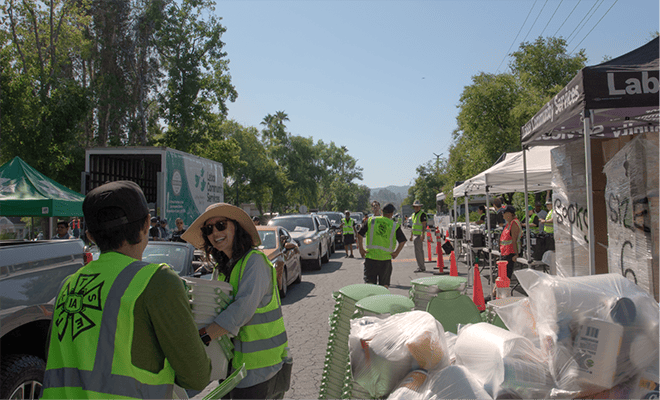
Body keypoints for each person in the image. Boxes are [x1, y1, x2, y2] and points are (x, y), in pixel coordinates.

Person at [41, 181, 211, 399]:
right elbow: (196, 376)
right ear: (147, 224)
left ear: (90, 236)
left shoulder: (68, 286)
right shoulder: (158, 281)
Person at [182, 203, 291, 400]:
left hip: (259, 371)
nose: (215, 232)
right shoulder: (221, 268)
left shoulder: (255, 261)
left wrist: (203, 336)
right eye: (209, 229)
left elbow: (242, 310)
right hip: (232, 369)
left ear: (236, 227)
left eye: (221, 225)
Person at [357, 203, 406, 288]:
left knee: (370, 286)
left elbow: (359, 234)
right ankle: (382, 300)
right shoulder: (394, 225)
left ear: (382, 211)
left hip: (371, 258)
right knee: (384, 286)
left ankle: (371, 300)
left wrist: (361, 249)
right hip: (385, 260)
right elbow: (402, 241)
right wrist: (396, 253)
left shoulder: (371, 220)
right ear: (391, 214)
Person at [499, 205, 522, 280]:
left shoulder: (514, 223)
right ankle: (495, 292)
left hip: (510, 254)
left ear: (509, 213)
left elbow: (514, 240)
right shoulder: (508, 224)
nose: (502, 215)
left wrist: (516, 254)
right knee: (501, 277)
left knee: (504, 278)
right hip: (505, 253)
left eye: (504, 213)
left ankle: (495, 292)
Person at [410, 200, 431, 272]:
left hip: (419, 235)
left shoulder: (422, 214)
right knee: (419, 251)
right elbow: (413, 225)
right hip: (415, 234)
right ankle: (421, 266)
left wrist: (423, 234)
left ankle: (421, 267)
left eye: (418, 207)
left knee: (418, 252)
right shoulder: (413, 215)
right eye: (415, 207)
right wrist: (411, 235)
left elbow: (424, 225)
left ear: (420, 207)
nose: (416, 208)